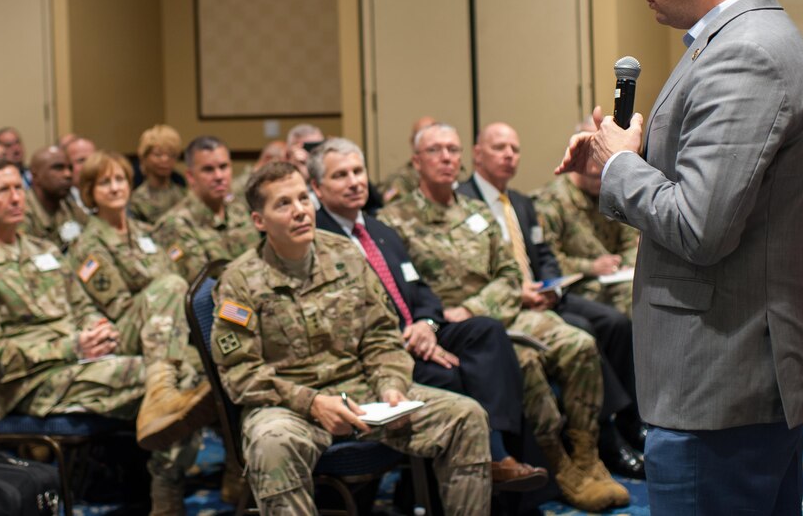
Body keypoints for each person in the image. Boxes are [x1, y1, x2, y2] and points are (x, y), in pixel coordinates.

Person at [556, 0, 803, 514]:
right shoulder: (741, 42)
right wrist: (620, 161)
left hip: (719, 378)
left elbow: (701, 228)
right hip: (733, 368)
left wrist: (623, 166)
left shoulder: (745, 57)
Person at [212, 162, 493, 514]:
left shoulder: (345, 255)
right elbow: (241, 374)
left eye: (304, 198)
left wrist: (392, 386)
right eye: (283, 204)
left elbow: (381, 335)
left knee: (466, 416)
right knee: (272, 444)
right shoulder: (240, 282)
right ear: (259, 221)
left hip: (361, 394)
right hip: (288, 407)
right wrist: (312, 403)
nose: (300, 210)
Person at [0, 157, 208, 514]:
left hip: (79, 363)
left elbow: (83, 306)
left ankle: (161, 489)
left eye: (19, 187)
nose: (16, 197)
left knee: (181, 374)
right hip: (29, 385)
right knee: (177, 378)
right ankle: (166, 495)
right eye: (3, 190)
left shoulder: (42, 250)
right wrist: (72, 345)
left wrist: (99, 330)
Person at [380, 122, 628, 511]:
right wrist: (462, 315)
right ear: (416, 161)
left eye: (452, 150)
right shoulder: (394, 220)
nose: (446, 158)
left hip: (499, 311)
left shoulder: (478, 212)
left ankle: (586, 454)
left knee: (581, 344)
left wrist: (476, 307)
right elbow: (408, 286)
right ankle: (558, 464)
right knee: (524, 360)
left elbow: (511, 274)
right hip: (458, 329)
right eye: (435, 151)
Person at [308, 138, 546, 491]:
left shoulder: (378, 230)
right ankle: (491, 461)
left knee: (485, 331)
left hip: (416, 328)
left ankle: (498, 447)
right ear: (317, 187)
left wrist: (428, 324)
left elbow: (418, 288)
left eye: (358, 172)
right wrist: (411, 338)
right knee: (454, 374)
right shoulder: (316, 238)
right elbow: (347, 316)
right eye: (340, 175)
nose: (355, 182)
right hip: (380, 347)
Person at [458, 122, 644, 478]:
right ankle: (606, 436)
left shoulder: (521, 203)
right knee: (585, 329)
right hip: (505, 303)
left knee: (616, 322)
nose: (509, 155)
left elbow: (543, 255)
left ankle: (630, 419)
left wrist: (550, 288)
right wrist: (517, 293)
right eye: (499, 148)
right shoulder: (463, 202)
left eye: (515, 148)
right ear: (477, 154)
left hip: (542, 296)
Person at [67, 150, 214, 449]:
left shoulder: (146, 234)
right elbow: (118, 306)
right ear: (90, 193)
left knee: (210, 367)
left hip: (162, 334)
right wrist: (162, 295)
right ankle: (160, 388)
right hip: (121, 332)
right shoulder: (88, 245)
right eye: (104, 182)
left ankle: (221, 475)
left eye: (120, 179)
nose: (115, 187)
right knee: (171, 285)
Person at [534, 119, 637, 316]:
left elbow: (632, 240)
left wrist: (623, 262)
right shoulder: (552, 201)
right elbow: (548, 262)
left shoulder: (613, 190)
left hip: (616, 280)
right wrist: (592, 267)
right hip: (578, 286)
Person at [153, 136, 258, 281]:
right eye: (208, 170)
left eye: (223, 167)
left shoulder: (238, 210)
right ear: (190, 176)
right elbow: (201, 287)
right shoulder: (175, 224)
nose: (219, 176)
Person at [21, 146, 88, 252]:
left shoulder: (69, 206)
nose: (68, 174)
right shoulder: (21, 210)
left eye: (70, 168)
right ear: (35, 176)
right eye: (58, 168)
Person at [130, 125, 186, 224]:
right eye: (157, 154)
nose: (165, 159)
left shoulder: (184, 195)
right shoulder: (136, 200)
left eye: (171, 155)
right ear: (144, 157)